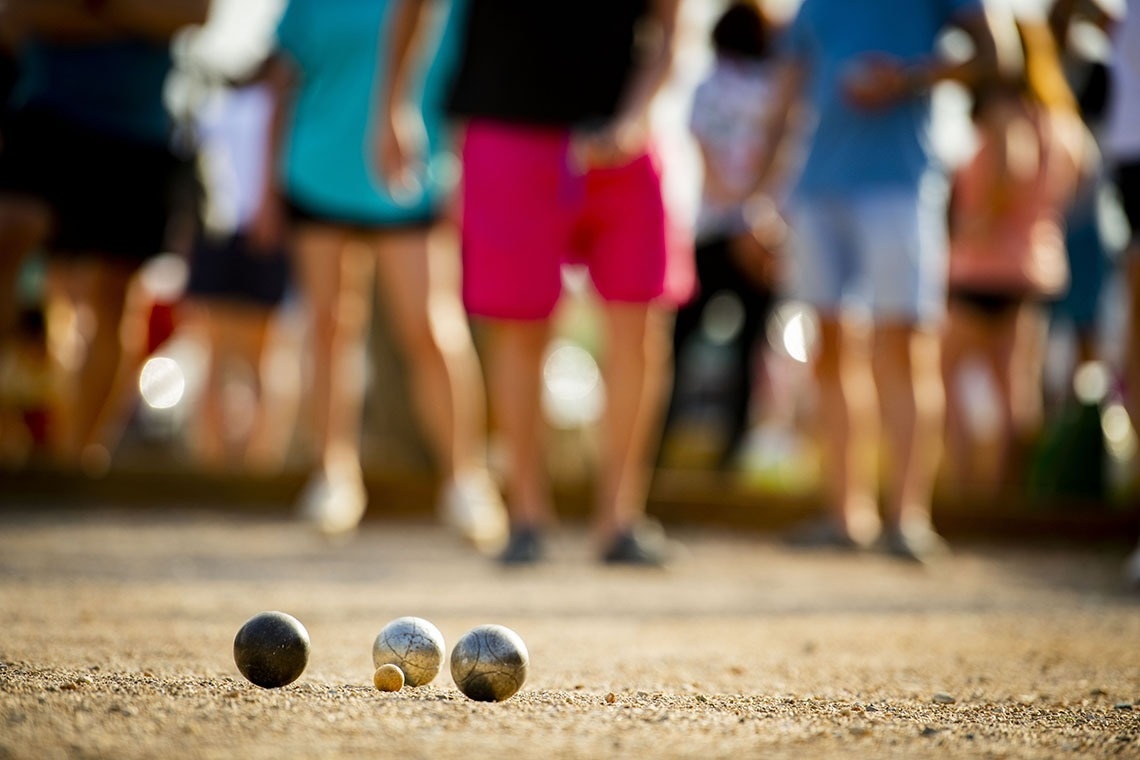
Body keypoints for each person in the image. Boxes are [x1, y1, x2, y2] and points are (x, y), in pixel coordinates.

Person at [378, 0, 685, 565]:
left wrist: (637, 115)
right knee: (519, 329)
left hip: (624, 137)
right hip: (505, 128)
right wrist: (394, 104)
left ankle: (619, 520)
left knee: (641, 324)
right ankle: (527, 517)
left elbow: (671, 30)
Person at [758, 0, 1006, 560]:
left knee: (905, 348)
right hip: (818, 186)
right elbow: (788, 93)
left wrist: (909, 76)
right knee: (829, 351)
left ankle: (908, 519)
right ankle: (846, 515)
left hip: (902, 184)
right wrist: (760, 192)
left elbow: (999, 55)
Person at [258, 0, 507, 545]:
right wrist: (266, 187)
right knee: (327, 324)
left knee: (428, 325)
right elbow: (284, 83)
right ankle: (333, 475)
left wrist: (468, 177)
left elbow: (468, 84)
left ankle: (466, 480)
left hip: (412, 174)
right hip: (315, 166)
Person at [0, 0, 210, 473]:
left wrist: (93, 10)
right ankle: (17, 426)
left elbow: (193, 13)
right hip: (47, 116)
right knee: (11, 234)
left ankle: (78, 460)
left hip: (137, 134)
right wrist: (131, 17)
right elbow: (20, 16)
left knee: (113, 296)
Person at [940, 17, 1089, 499]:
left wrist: (974, 223)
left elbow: (1013, 162)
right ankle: (1009, 489)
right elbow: (1079, 176)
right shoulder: (1062, 119)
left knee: (946, 375)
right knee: (1015, 387)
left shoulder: (1005, 111)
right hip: (1034, 264)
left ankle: (966, 487)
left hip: (981, 265)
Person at [659, 0, 786, 472]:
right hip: (763, 235)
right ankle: (732, 451)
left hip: (712, 228)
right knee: (752, 347)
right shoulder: (778, 89)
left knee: (679, 340)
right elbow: (782, 152)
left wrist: (733, 206)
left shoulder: (709, 84)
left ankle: (657, 440)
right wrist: (753, 210)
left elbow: (705, 154)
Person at [180, 59, 298, 474]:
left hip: (256, 236)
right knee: (216, 357)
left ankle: (259, 465)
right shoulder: (221, 106)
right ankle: (214, 466)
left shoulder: (262, 108)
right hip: (223, 233)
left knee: (262, 360)